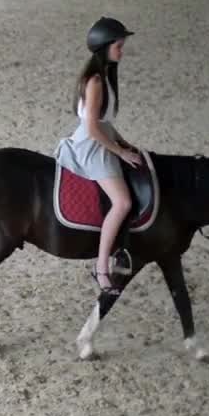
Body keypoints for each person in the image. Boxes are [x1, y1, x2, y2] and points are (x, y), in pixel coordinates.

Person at [54, 16, 142, 295]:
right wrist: (119, 152)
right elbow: (92, 127)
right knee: (123, 202)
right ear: (106, 46)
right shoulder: (94, 81)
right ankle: (101, 267)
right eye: (119, 45)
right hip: (92, 146)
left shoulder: (104, 76)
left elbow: (105, 123)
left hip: (103, 138)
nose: (122, 50)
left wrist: (125, 143)